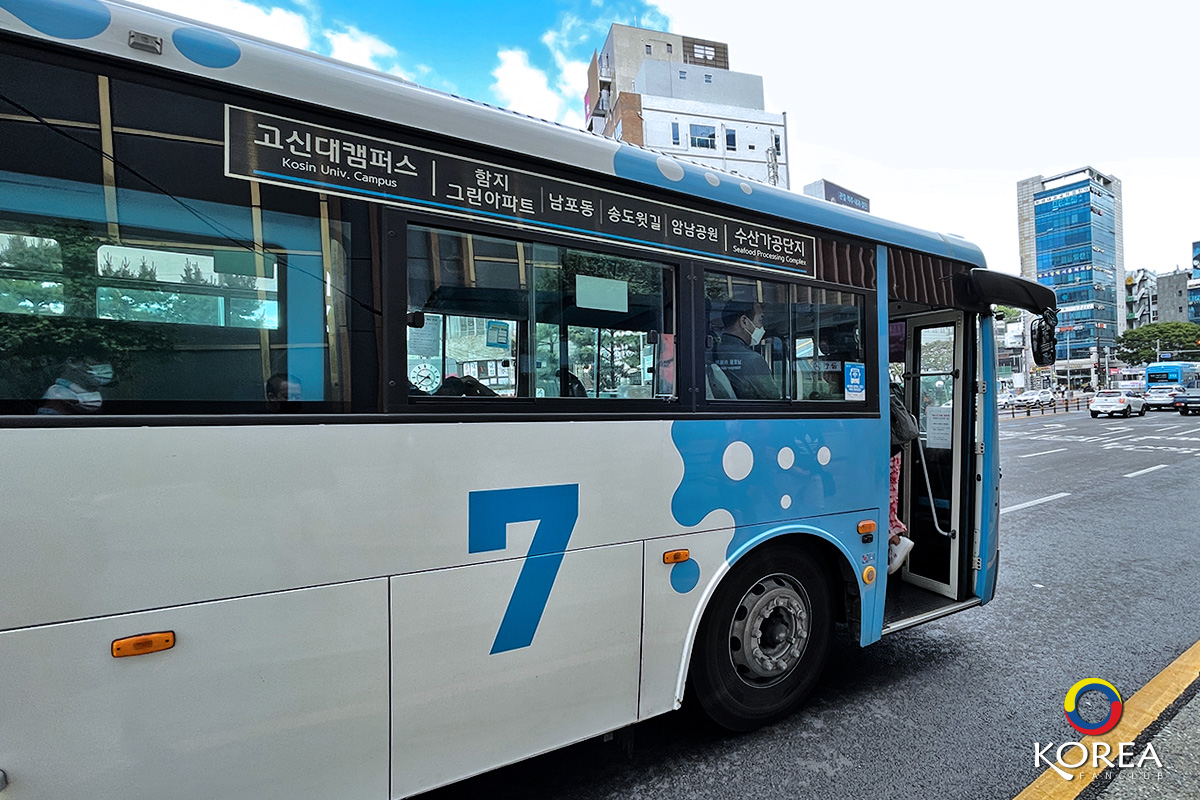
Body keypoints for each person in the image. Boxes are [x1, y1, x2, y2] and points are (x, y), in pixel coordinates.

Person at [712, 300, 781, 400]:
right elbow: (772, 398)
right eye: (760, 320)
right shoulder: (753, 359)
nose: (762, 327)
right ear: (744, 321)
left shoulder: (711, 354)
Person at [888, 382, 916, 574]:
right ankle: (893, 545)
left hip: (887, 456)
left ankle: (897, 542)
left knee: (881, 504)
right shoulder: (889, 391)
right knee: (887, 502)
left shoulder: (883, 392)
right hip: (891, 455)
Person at [38, 354, 114, 414]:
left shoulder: (100, 392)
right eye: (92, 363)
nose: (104, 366)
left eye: (106, 361)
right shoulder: (57, 393)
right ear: (72, 363)